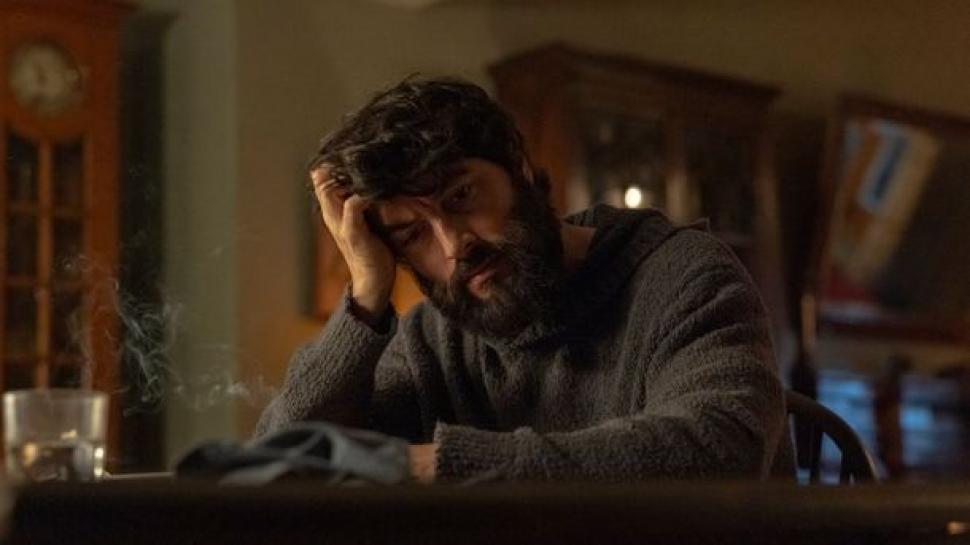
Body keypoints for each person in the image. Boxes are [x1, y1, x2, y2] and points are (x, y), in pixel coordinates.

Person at [256, 77, 793, 483]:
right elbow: (279, 468)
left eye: (461, 197)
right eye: (413, 234)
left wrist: (437, 464)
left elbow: (722, 448)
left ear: (518, 167)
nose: (454, 245)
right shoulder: (431, 339)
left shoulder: (684, 275)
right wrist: (366, 296)